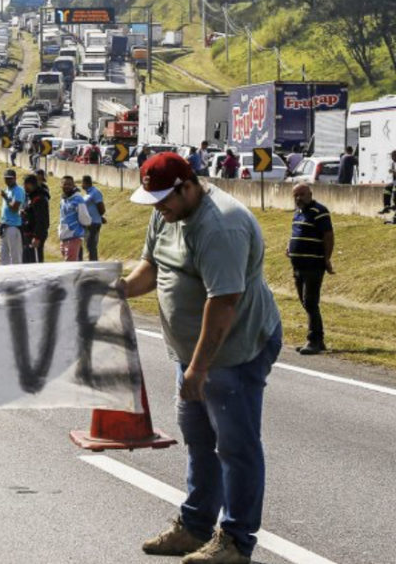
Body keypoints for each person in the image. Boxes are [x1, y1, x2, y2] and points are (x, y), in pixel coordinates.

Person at [124, 153, 281, 564]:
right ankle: (195, 527)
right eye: (154, 201)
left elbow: (224, 302)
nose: (159, 208)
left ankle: (236, 541)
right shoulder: (167, 214)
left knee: (235, 446)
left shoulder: (221, 225)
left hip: (233, 352)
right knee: (199, 439)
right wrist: (118, 289)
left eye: (164, 199)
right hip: (192, 353)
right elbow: (151, 269)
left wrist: (199, 368)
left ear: (188, 184)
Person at [287, 184, 334, 355]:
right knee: (305, 301)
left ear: (310, 194)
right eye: (296, 195)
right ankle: (318, 340)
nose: (299, 198)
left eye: (302, 194)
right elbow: (296, 232)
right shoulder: (298, 213)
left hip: (313, 264)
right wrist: (289, 246)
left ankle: (314, 340)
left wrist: (327, 258)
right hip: (298, 265)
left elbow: (328, 236)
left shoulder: (319, 211)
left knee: (310, 301)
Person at [57, 176, 90, 262]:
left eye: (69, 184)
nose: (67, 186)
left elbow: (85, 219)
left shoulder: (78, 199)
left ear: (73, 186)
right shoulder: (63, 199)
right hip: (64, 237)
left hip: (74, 237)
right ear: (61, 185)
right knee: (69, 264)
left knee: (70, 265)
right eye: (65, 184)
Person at [0, 169, 25, 265]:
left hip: (13, 227)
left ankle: (18, 278)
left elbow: (14, 208)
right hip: (4, 227)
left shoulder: (18, 190)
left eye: (10, 179)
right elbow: (5, 210)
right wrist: (0, 222)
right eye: (6, 179)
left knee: (15, 257)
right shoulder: (7, 190)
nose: (8, 181)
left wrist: (5, 197)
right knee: (3, 257)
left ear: (15, 178)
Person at [20, 174, 49, 264]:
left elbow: (42, 220)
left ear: (31, 185)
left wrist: (37, 237)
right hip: (28, 233)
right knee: (27, 260)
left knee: (35, 262)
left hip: (35, 236)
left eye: (26, 185)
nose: (24, 187)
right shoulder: (31, 196)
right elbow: (31, 213)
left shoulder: (39, 198)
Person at [81, 175, 106, 261]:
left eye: (82, 183)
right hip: (88, 223)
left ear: (85, 182)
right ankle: (92, 262)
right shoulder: (87, 193)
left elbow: (101, 208)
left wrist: (100, 217)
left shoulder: (95, 192)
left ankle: (94, 264)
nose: (81, 185)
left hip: (94, 223)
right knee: (89, 245)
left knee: (91, 246)